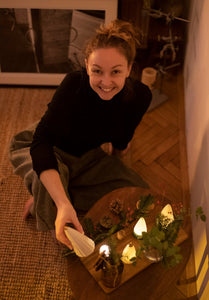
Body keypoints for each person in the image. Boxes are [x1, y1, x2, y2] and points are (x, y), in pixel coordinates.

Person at [9, 19, 152, 250]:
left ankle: (48, 190)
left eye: (115, 71)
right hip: (52, 148)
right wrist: (63, 203)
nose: (106, 82)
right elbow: (41, 143)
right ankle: (53, 192)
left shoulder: (141, 96)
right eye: (97, 71)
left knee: (138, 192)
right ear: (86, 66)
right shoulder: (73, 85)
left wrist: (116, 167)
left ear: (129, 67)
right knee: (49, 180)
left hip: (88, 158)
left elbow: (121, 140)